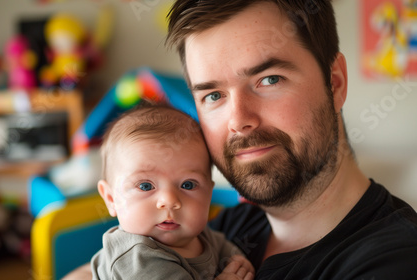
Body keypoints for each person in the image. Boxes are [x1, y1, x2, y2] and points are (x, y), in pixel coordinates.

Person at [64, 1, 417, 279]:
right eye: (213, 95)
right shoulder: (225, 228)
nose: (239, 121)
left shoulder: (393, 261)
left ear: (334, 82)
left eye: (269, 79)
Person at [90, 104, 254, 280]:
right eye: (145, 186)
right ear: (111, 198)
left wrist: (240, 264)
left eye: (188, 185)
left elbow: (233, 257)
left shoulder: (201, 236)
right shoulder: (136, 256)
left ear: (208, 194)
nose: (169, 200)